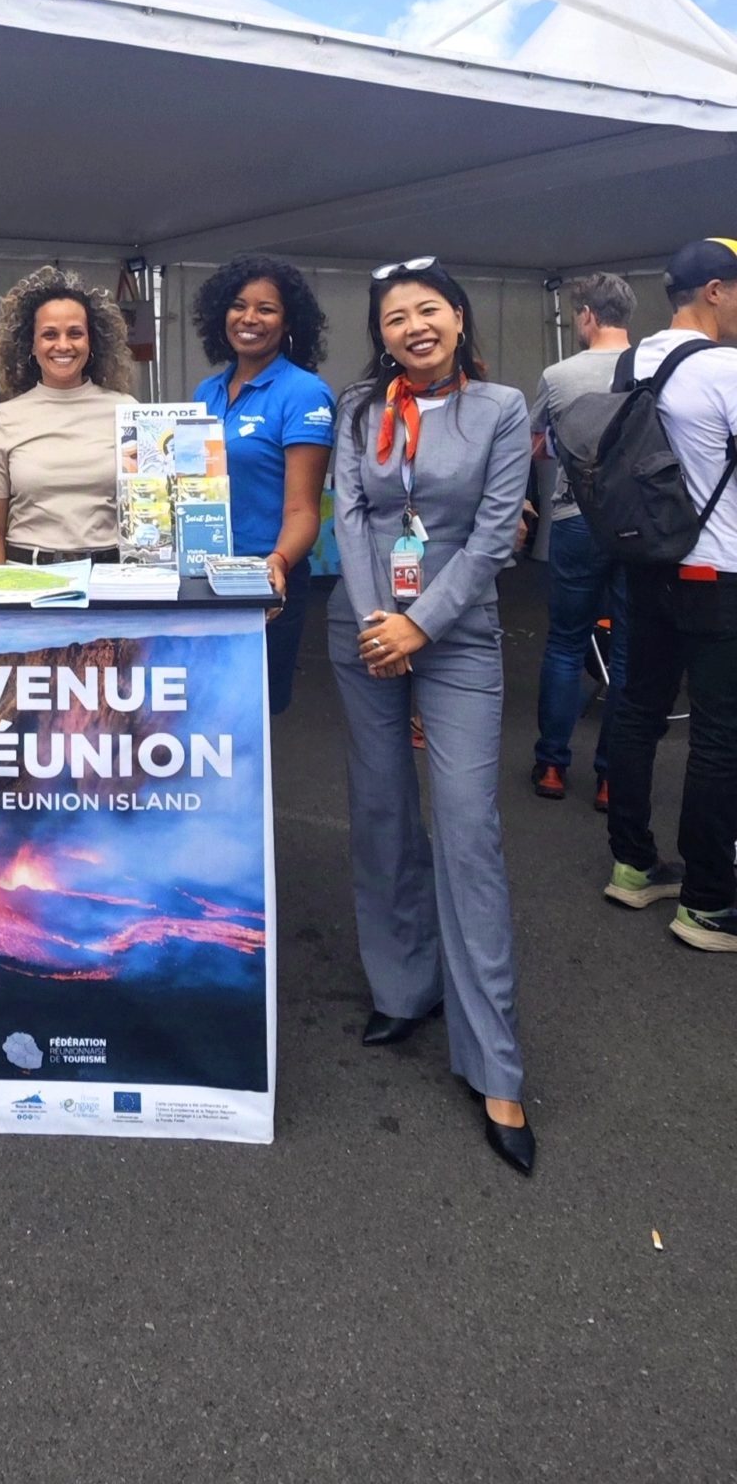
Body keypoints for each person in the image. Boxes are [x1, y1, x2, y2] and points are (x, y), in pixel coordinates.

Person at [327, 257, 534, 1174]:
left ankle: (494, 1062)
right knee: (379, 813)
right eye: (394, 317)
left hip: (457, 634)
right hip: (366, 630)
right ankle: (402, 986)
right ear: (380, 334)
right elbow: (351, 514)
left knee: (466, 831)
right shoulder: (358, 411)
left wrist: (420, 624)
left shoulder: (502, 409)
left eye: (428, 310)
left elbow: (496, 532)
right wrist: (382, 625)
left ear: (457, 316)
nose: (412, 326)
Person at [602, 238, 737, 951]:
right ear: (714, 291)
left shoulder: (637, 359)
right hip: (719, 571)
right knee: (719, 737)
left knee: (638, 711)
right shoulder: (726, 369)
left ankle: (634, 865)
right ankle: (711, 903)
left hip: (648, 562)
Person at [191, 255, 334, 715]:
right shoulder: (206, 391)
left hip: (263, 578)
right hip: (199, 575)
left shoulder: (304, 392)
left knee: (250, 720)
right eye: (237, 305)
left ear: (289, 319)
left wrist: (277, 563)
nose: (249, 318)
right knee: (195, 711)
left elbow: (304, 510)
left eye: (266, 308)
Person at [529, 273, 636, 810]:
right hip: (637, 526)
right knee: (626, 651)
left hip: (576, 517)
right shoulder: (655, 367)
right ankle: (611, 777)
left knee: (566, 642)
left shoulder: (558, 374)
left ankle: (551, 764)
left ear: (590, 315)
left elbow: (537, 448)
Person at [0, 266, 137, 564]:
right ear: (31, 345)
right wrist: (0, 593)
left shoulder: (127, 411)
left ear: (92, 342)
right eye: (49, 334)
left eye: (75, 333)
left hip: (110, 579)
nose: (63, 345)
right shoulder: (2, 419)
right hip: (29, 579)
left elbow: (150, 509)